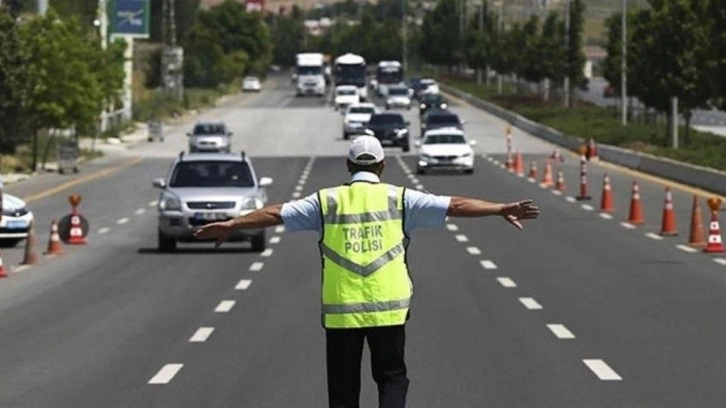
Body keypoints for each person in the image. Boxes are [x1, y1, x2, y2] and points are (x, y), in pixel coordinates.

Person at [194, 136, 540, 408]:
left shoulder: (326, 201)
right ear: (383, 166)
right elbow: (455, 205)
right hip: (389, 309)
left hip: (342, 313)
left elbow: (275, 213)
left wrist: (233, 224)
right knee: (391, 378)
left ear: (347, 165)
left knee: (344, 390)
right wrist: (499, 208)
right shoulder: (401, 198)